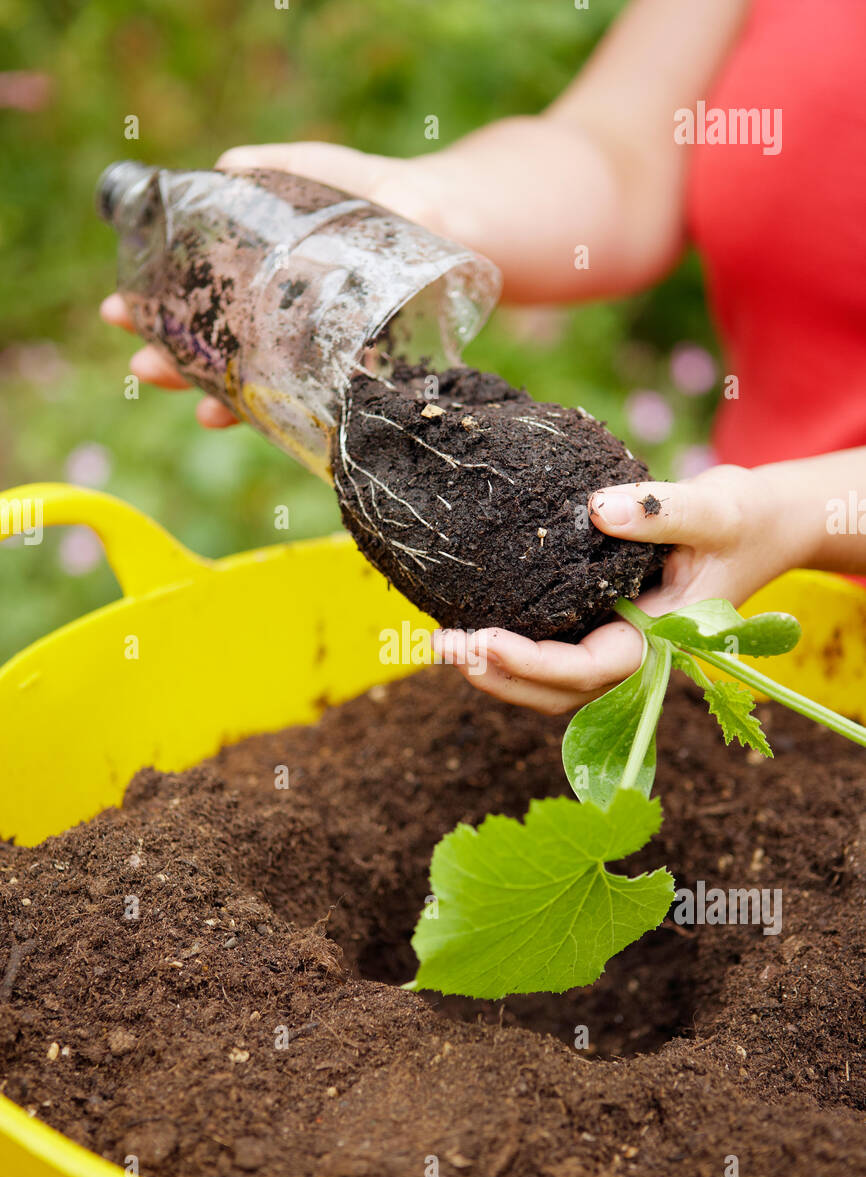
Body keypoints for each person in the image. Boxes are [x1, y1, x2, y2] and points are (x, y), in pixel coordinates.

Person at [101, 0, 866, 715]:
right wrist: (425, 204)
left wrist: (794, 515)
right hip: (710, 573)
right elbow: (620, 154)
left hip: (770, 574)